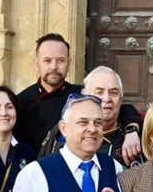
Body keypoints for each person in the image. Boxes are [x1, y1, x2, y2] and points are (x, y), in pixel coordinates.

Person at [14, 33, 143, 163]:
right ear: (37, 64)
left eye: (60, 60)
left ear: (69, 63)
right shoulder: (20, 102)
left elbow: (118, 109)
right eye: (47, 60)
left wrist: (131, 130)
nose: (54, 66)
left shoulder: (79, 95)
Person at [38, 66, 144, 165]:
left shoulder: (138, 137)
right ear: (84, 95)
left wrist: (132, 131)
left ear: (121, 98)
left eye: (113, 93)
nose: (107, 99)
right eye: (99, 92)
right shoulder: (62, 131)